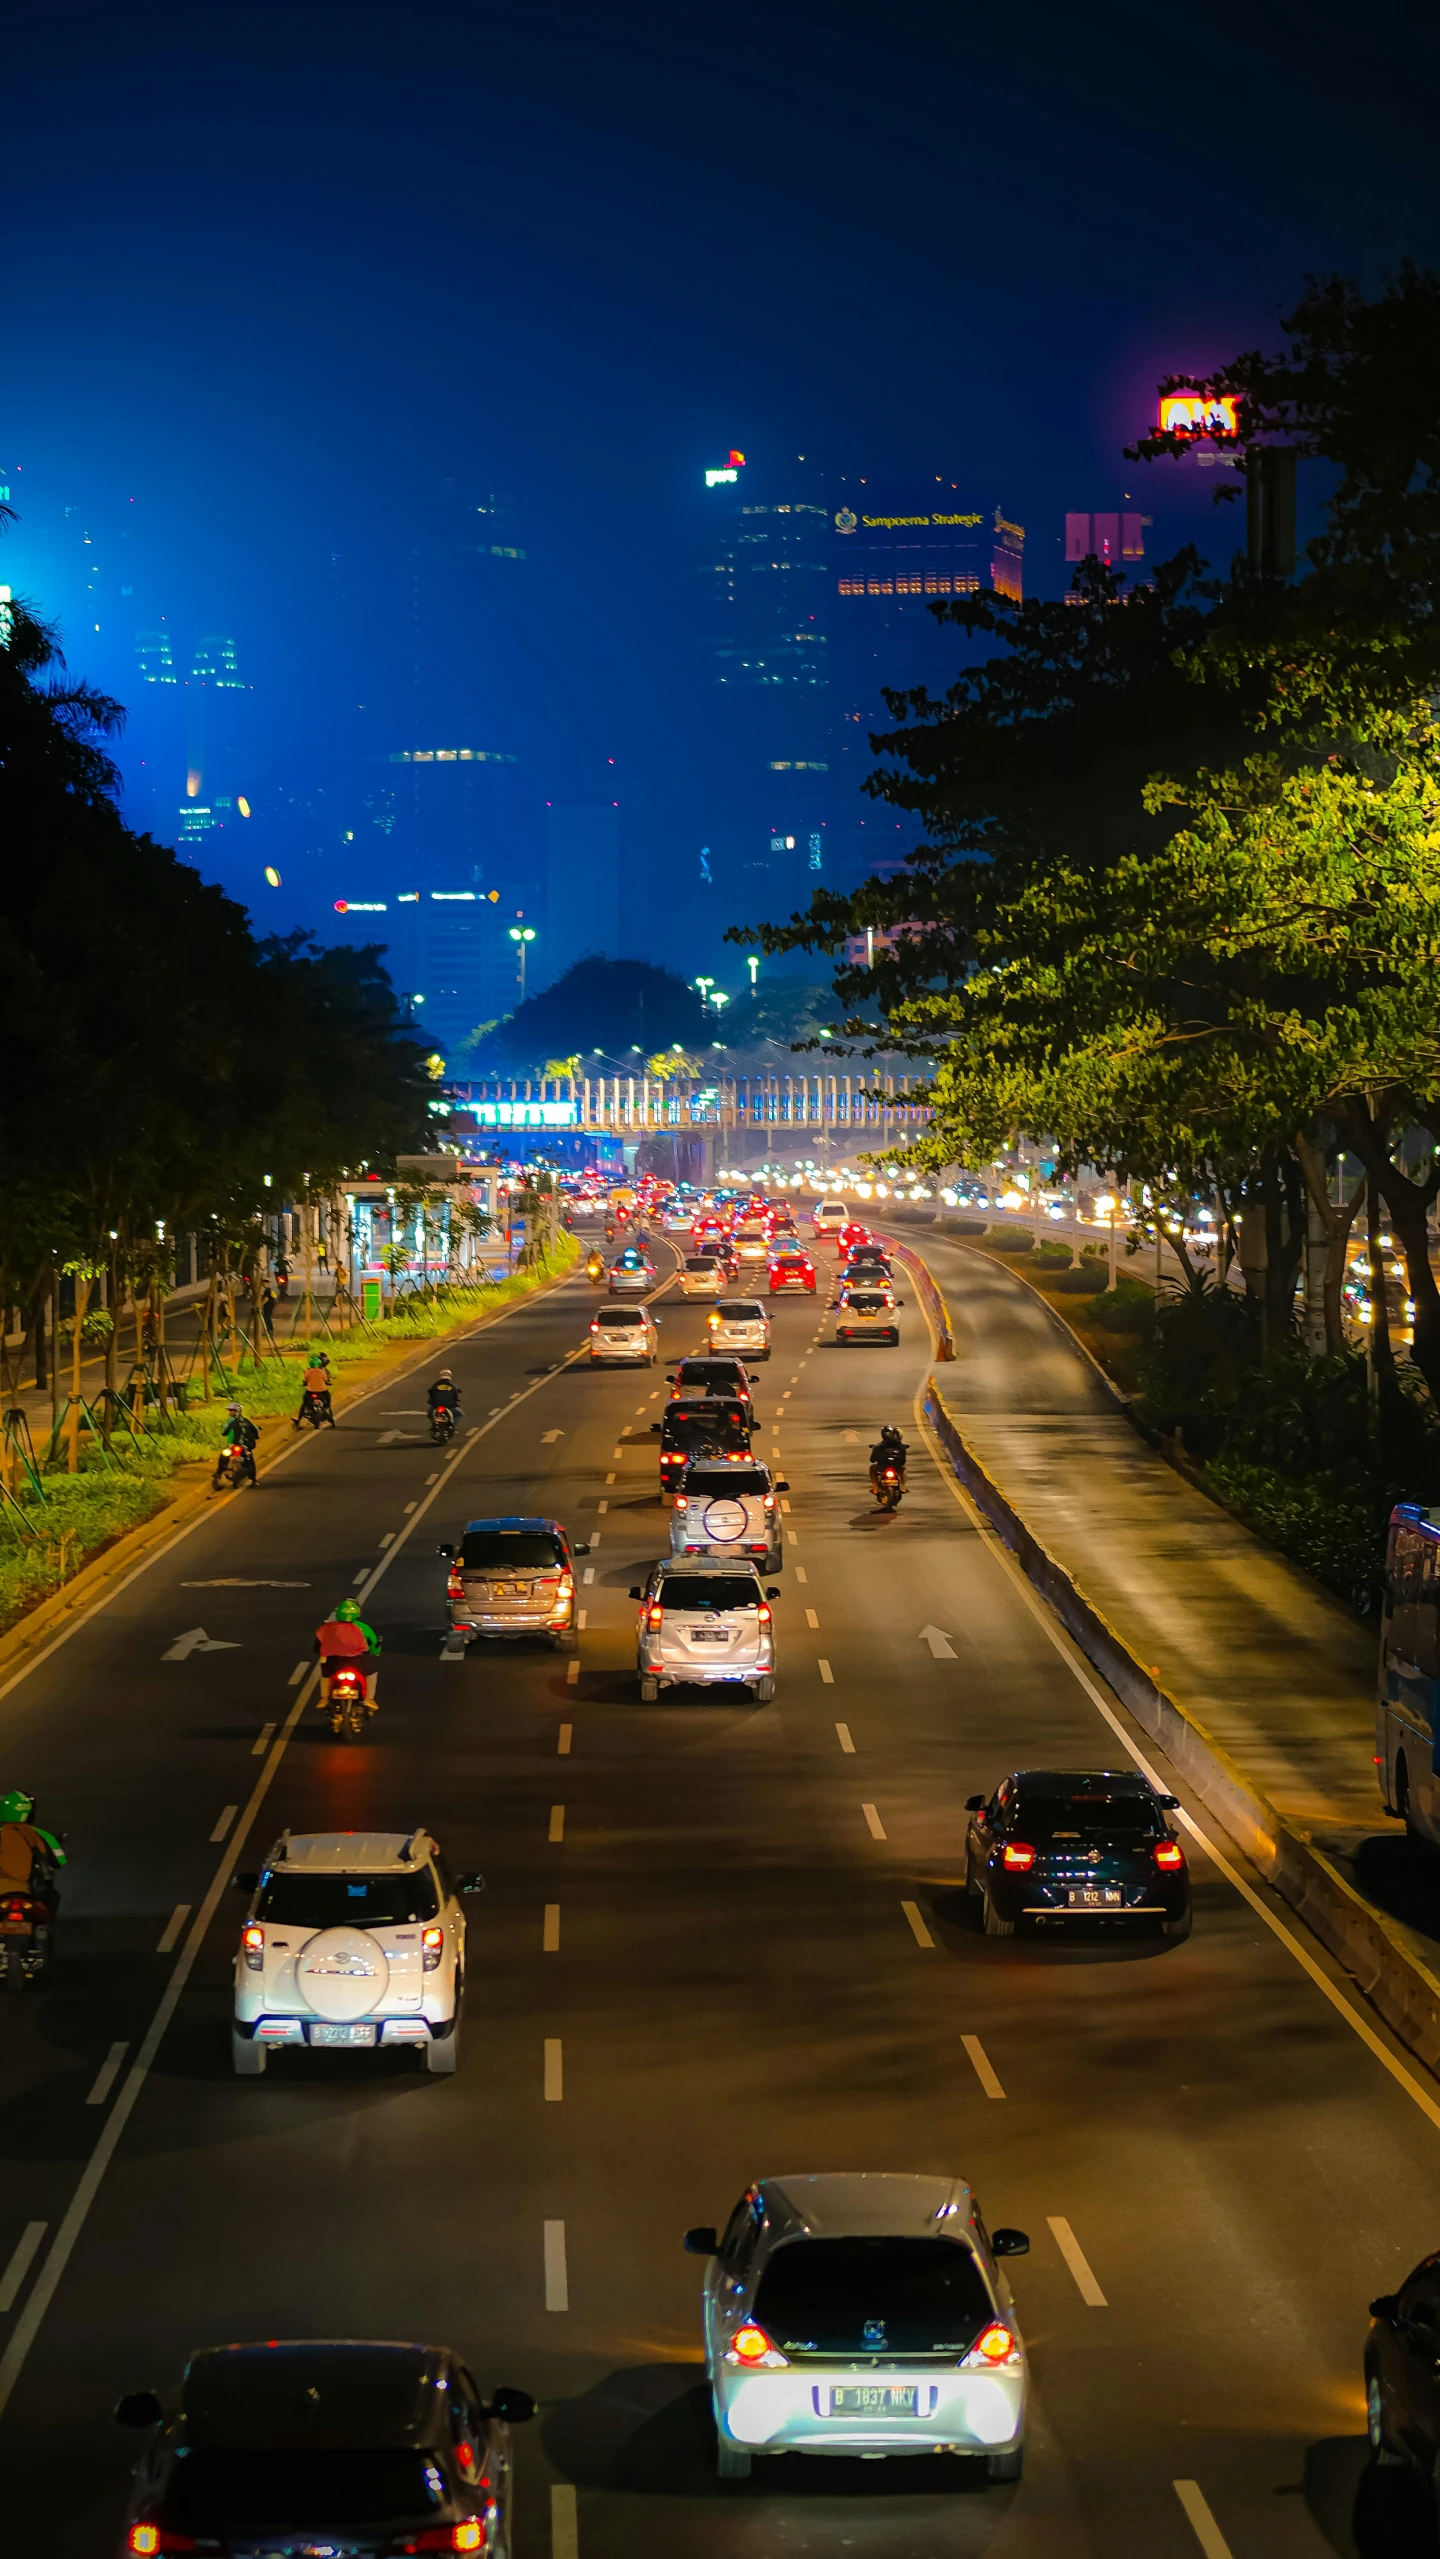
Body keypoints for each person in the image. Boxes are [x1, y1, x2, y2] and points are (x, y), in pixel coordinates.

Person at [0, 1789, 67, 1914]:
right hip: (29, 1891)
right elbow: (59, 1861)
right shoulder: (39, 1835)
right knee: (52, 1897)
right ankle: (43, 1930)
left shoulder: (2, 1833)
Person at [313, 1596, 381, 1710]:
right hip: (359, 1663)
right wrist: (375, 1653)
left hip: (334, 1663)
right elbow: (374, 1645)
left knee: (325, 1672)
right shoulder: (363, 1628)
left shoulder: (327, 1627)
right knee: (372, 1672)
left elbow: (317, 1648)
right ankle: (369, 1699)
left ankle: (324, 1697)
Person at [215, 1401, 258, 1486]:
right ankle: (253, 1479)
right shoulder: (246, 1421)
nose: (230, 1413)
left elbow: (224, 1432)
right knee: (250, 1461)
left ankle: (219, 1473)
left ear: (236, 1411)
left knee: (223, 1456)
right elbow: (255, 1431)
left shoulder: (232, 1422)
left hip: (234, 1445)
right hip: (245, 1447)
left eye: (232, 1411)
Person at [295, 1353, 334, 1428]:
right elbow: (326, 1380)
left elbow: (305, 1380)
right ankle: (327, 1409)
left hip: (310, 1391)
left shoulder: (308, 1371)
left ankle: (299, 1420)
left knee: (304, 1404)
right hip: (322, 1391)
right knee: (328, 1400)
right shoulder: (322, 1372)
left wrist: (305, 1383)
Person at [869, 1423, 907, 1492]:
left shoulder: (879, 1446)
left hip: (882, 1467)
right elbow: (903, 1461)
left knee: (872, 1468)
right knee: (904, 1469)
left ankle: (875, 1487)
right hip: (896, 1467)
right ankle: (902, 1486)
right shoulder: (900, 1447)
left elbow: (872, 1460)